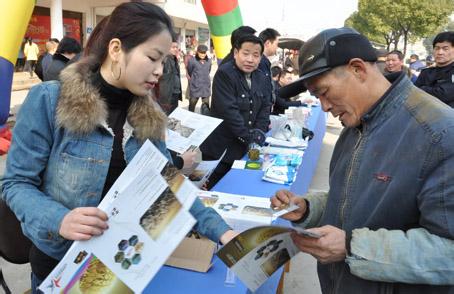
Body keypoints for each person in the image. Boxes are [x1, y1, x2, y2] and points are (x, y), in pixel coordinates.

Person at [1, 3, 236, 292]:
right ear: (115, 49)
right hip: (61, 267)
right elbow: (16, 183)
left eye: (164, 61)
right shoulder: (49, 100)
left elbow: (171, 189)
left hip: (124, 264)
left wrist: (224, 232)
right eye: (152, 57)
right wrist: (60, 219)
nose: (160, 71)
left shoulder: (148, 119)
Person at [274, 27, 454, 293]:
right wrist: (309, 209)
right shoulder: (355, 124)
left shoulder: (439, 134)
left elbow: (448, 253)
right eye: (316, 97)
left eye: (324, 92)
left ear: (358, 69)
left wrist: (351, 247)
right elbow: (352, 197)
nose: (323, 107)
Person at [200, 35, 271, 189]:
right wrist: (250, 137)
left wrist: (259, 132)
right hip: (221, 150)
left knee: (241, 188)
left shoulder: (261, 76)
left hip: (246, 148)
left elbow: (265, 107)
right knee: (215, 190)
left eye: (255, 55)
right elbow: (229, 111)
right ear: (236, 53)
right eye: (246, 53)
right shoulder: (225, 74)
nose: (250, 59)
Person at [415, 31, 454, 107]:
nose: (440, 52)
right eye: (437, 48)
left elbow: (444, 95)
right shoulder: (425, 72)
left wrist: (423, 88)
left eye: (445, 49)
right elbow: (413, 93)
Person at [157, 37, 182, 115]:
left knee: (173, 115)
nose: (175, 49)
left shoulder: (174, 59)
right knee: (166, 115)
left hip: (175, 93)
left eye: (176, 47)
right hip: (167, 95)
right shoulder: (164, 59)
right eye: (173, 47)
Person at [187, 44, 212, 113]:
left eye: (204, 53)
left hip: (206, 88)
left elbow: (208, 71)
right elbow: (190, 71)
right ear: (197, 52)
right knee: (191, 107)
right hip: (195, 87)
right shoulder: (192, 61)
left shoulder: (209, 61)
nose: (203, 55)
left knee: (206, 108)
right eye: (201, 53)